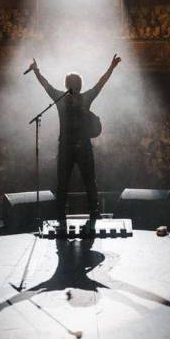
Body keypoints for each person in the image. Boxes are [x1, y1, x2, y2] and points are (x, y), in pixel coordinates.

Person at [29, 54, 121, 234]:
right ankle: (92, 213)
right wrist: (111, 67)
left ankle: (63, 216)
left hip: (68, 147)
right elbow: (100, 83)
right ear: (78, 85)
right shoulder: (77, 98)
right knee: (85, 182)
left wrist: (36, 71)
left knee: (69, 183)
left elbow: (46, 84)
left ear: (67, 84)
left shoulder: (62, 98)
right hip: (79, 146)